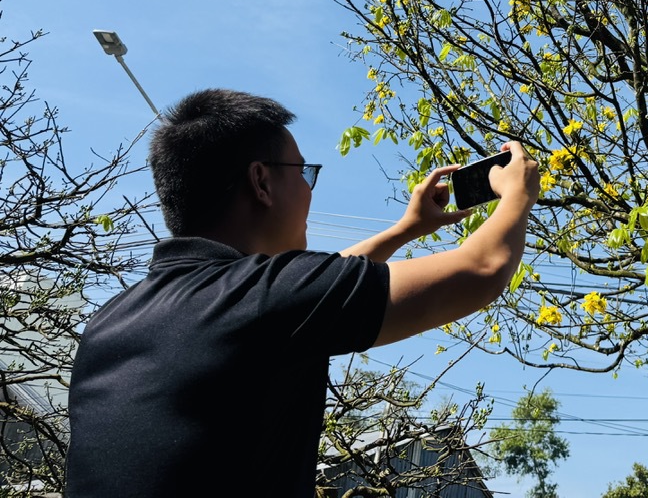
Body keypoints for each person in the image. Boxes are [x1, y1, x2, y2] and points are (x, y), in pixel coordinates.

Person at [65, 88, 539, 498]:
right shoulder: (263, 301)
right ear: (262, 181)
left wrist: (405, 230)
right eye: (304, 172)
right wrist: (517, 193)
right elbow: (484, 268)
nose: (309, 190)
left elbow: (301, 294)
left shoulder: (110, 320)